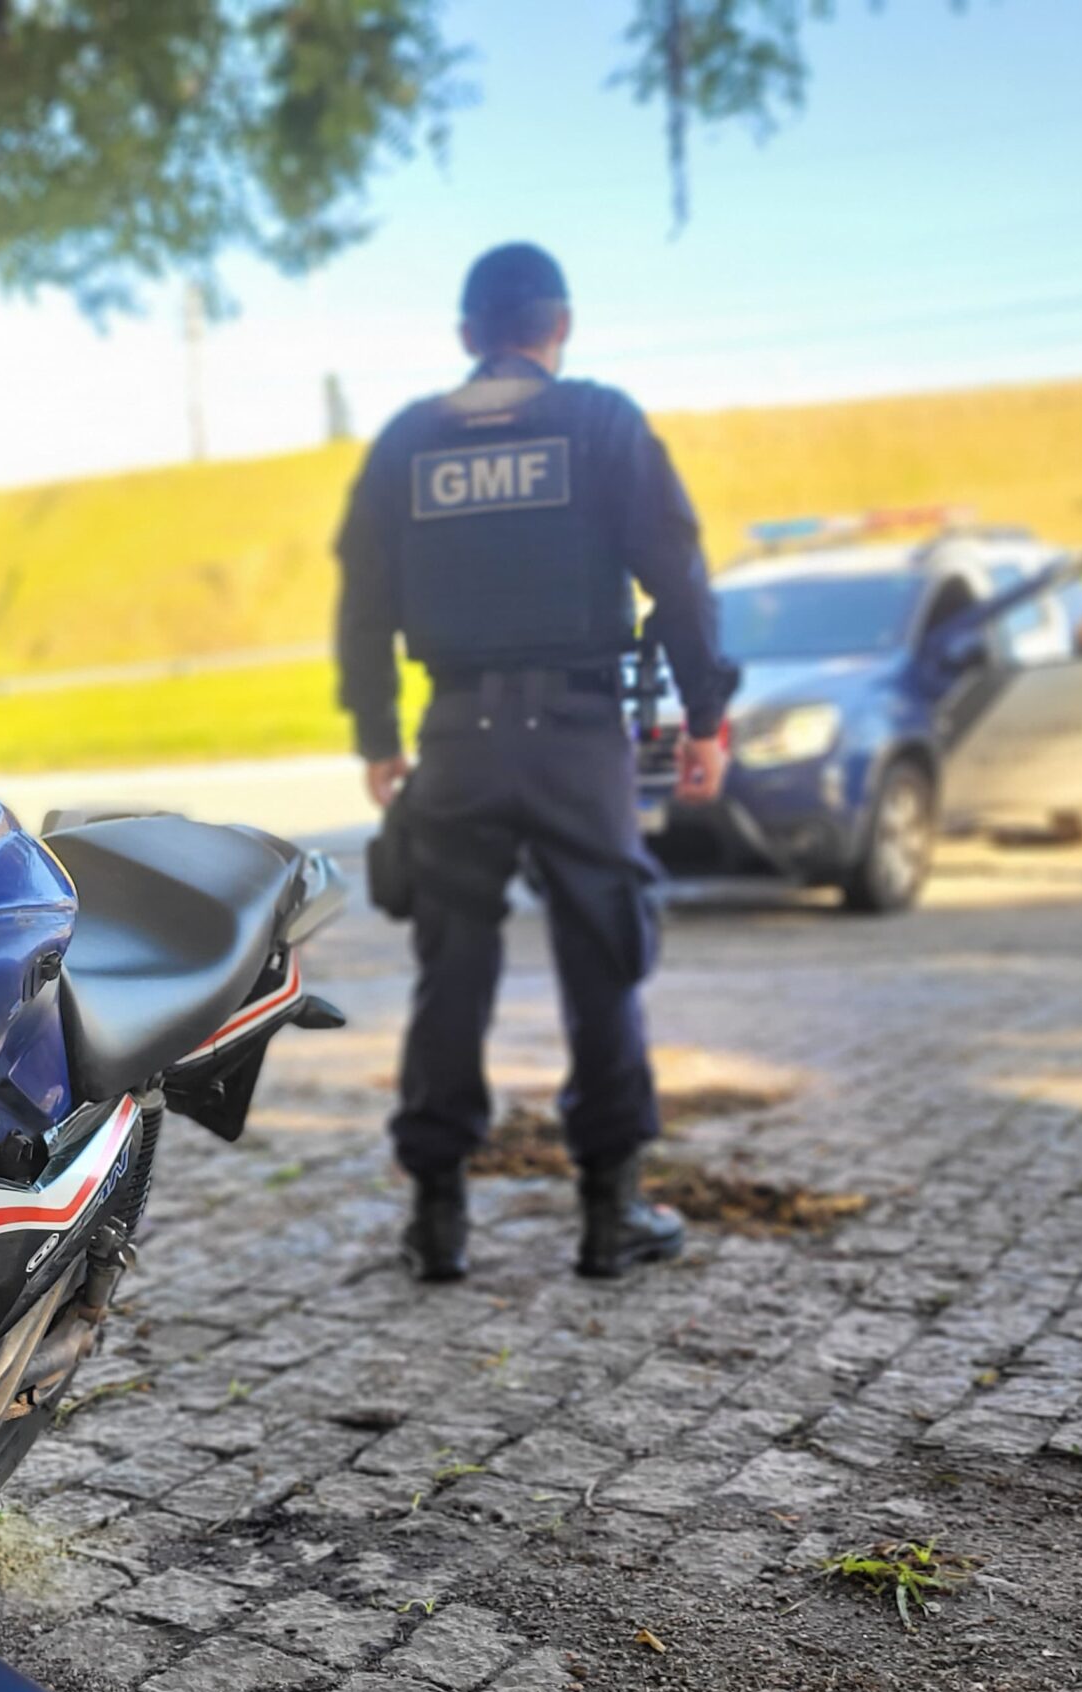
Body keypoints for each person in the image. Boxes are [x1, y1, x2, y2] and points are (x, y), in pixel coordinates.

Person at [333, 243, 740, 1284]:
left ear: (469, 335)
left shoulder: (405, 443)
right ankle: (611, 1215)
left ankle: (436, 1223)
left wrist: (378, 737)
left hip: (456, 742)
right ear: (558, 326)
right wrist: (706, 712)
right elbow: (678, 577)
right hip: (576, 741)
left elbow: (363, 605)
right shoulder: (602, 424)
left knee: (451, 972)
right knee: (602, 964)